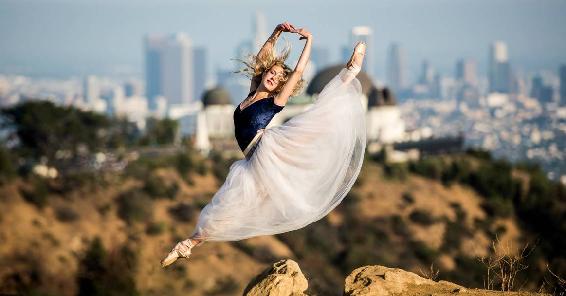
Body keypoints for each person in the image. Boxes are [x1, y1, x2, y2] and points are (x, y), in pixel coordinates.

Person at [161, 21, 367, 268]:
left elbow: (298, 73)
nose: (275, 77)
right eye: (273, 72)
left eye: (280, 77)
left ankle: (349, 72)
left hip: (269, 149)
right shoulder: (251, 93)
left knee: (316, 119)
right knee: (224, 209)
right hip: (252, 162)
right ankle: (187, 246)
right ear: (265, 72)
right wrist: (276, 33)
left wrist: (309, 40)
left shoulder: (275, 100)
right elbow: (262, 58)